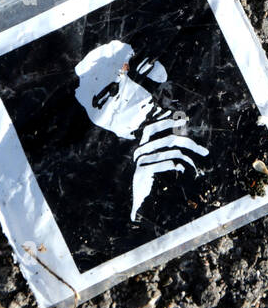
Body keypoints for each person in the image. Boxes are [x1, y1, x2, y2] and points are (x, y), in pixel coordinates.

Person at [73, 39, 209, 222]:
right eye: (107, 96)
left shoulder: (177, 111)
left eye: (131, 69)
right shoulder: (128, 168)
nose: (126, 85)